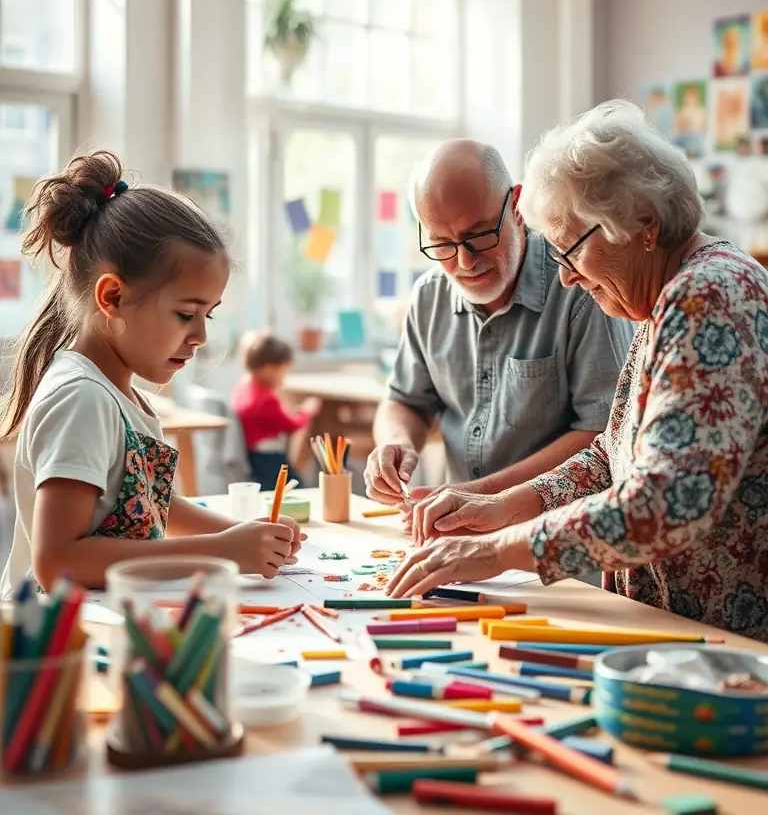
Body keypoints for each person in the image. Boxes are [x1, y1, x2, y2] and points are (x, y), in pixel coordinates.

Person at [388, 100, 768, 643]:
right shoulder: (668, 293)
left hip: (726, 644)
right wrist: (502, 507)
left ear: (644, 226)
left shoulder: (708, 295)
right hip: (678, 631)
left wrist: (494, 551)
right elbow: (611, 454)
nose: (564, 278)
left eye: (571, 250)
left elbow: (660, 503)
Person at [0, 151, 302, 598]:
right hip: (58, 646)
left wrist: (242, 532)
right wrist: (223, 551)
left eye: (208, 316)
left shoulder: (119, 396)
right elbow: (57, 562)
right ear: (114, 297)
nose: (199, 336)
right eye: (185, 314)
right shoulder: (80, 398)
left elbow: (150, 505)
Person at [364, 139, 634, 514]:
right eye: (441, 244)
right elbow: (406, 401)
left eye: (478, 236)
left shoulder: (580, 288)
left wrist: (482, 495)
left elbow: (603, 435)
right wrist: (396, 443)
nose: (464, 261)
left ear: (517, 207)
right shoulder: (429, 296)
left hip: (557, 539)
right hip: (462, 532)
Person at [230, 330, 320, 490]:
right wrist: (307, 411)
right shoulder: (266, 400)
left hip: (253, 455)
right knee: (297, 487)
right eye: (282, 372)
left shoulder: (243, 386)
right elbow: (291, 425)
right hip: (269, 457)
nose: (282, 378)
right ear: (269, 369)